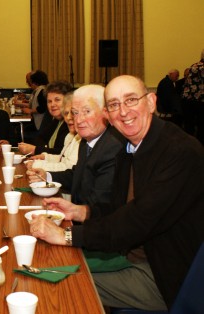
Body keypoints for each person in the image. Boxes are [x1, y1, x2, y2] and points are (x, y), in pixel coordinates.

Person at [30, 75, 204, 311]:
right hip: (136, 255)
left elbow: (137, 220)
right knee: (45, 267)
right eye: (113, 105)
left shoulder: (181, 151)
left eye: (131, 100)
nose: (123, 111)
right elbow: (118, 208)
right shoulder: (130, 147)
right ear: (108, 115)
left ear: (152, 102)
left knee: (61, 283)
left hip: (166, 275)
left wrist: (67, 237)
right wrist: (82, 211)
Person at [27, 84, 125, 219]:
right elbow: (77, 175)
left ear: (105, 112)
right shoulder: (87, 141)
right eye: (75, 112)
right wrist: (47, 176)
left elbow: (101, 209)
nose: (78, 120)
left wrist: (67, 235)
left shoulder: (112, 147)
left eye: (87, 111)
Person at [26, 93, 81, 172]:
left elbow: (69, 167)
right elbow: (62, 158)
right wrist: (45, 157)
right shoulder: (70, 135)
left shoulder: (81, 138)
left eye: (73, 113)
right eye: (66, 113)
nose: (69, 117)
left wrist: (38, 164)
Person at [18, 80, 73, 156]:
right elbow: (39, 138)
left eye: (57, 100)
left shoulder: (71, 123)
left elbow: (62, 153)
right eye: (49, 101)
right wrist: (45, 149)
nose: (52, 104)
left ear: (68, 100)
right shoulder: (56, 120)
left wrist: (35, 150)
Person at [182, 49, 204, 144]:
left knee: (189, 125)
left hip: (188, 100)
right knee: (201, 125)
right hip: (199, 101)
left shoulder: (194, 66)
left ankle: (189, 144)